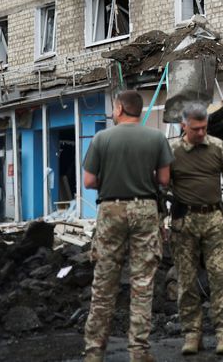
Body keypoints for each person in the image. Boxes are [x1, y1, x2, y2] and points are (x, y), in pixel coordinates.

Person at [82, 90, 174, 362]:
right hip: (145, 210)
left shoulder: (101, 139)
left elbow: (88, 181)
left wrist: (111, 179)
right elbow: (164, 179)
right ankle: (139, 351)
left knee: (103, 285)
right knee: (143, 283)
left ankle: (94, 352)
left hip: (111, 210)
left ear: (120, 108)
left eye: (114, 107)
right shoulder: (156, 138)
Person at [168, 102, 223, 356]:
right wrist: (162, 219)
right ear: (184, 126)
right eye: (196, 129)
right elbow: (161, 186)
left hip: (213, 220)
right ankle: (192, 333)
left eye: (204, 128)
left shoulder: (217, 147)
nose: (201, 133)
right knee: (186, 280)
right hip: (184, 222)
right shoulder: (172, 152)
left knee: (219, 277)